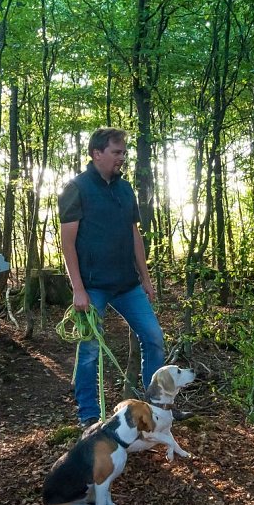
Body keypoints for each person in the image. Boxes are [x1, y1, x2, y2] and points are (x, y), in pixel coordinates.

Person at [58, 127, 165, 428]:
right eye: (117, 152)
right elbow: (67, 243)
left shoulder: (125, 189)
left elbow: (134, 234)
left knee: (154, 337)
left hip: (127, 283)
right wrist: (78, 289)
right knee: (90, 349)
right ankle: (89, 416)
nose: (122, 157)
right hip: (93, 287)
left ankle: (154, 409)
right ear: (97, 153)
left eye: (123, 152)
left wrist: (145, 277)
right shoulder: (76, 189)